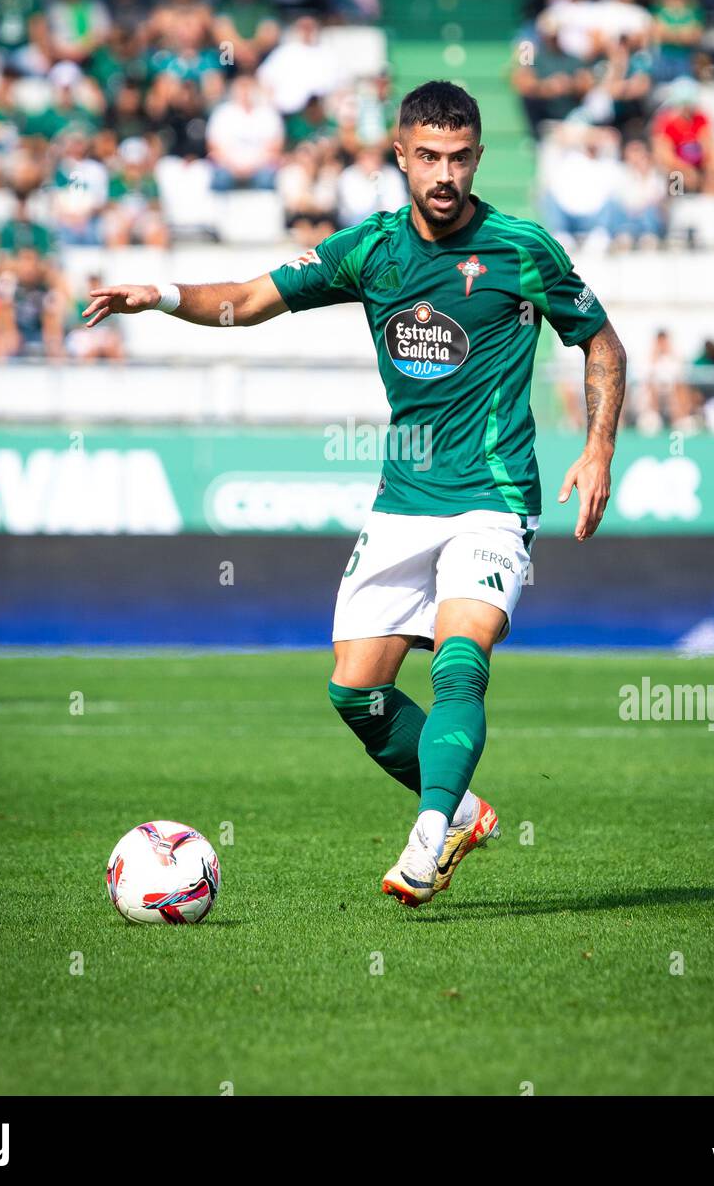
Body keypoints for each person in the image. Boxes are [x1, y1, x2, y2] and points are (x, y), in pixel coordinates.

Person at [83, 80, 626, 905]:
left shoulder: (523, 248)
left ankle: (427, 836)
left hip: (494, 493)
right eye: (428, 157)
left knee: (458, 664)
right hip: (403, 500)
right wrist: (154, 296)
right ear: (400, 156)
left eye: (459, 158)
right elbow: (246, 301)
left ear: (477, 158)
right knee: (356, 691)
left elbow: (600, 342)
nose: (444, 174)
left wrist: (597, 445)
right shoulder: (368, 250)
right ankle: (465, 813)